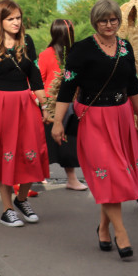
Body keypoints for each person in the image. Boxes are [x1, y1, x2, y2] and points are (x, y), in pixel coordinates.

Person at [52, 0, 138, 256]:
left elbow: (133, 83)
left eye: (113, 19)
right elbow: (67, 88)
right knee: (110, 172)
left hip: (122, 117)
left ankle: (103, 228)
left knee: (112, 176)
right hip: (94, 119)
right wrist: (57, 121)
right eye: (104, 20)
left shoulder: (125, 47)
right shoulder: (81, 50)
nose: (109, 24)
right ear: (95, 22)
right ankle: (121, 233)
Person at [0, 0, 48, 228]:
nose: (16, 22)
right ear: (0, 21)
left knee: (31, 154)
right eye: (10, 19)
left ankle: (22, 199)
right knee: (5, 157)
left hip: (25, 104)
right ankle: (7, 210)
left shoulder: (28, 41)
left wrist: (46, 105)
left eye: (18, 18)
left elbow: (35, 76)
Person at [39, 19, 85, 191]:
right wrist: (44, 105)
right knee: (45, 143)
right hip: (50, 107)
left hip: (71, 106)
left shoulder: (74, 55)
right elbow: (38, 81)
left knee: (68, 143)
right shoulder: (46, 55)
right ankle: (40, 174)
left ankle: (71, 179)